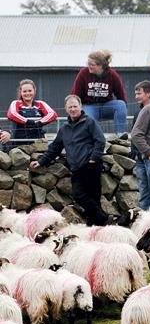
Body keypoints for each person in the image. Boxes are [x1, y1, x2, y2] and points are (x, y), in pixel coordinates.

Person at [31, 95, 107, 226]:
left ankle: (95, 226)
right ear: (66, 109)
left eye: (75, 106)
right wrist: (41, 161)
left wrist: (93, 159)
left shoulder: (90, 122)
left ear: (80, 107)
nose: (73, 109)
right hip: (76, 169)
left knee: (94, 197)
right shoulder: (64, 129)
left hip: (91, 167)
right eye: (70, 107)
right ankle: (103, 218)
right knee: (79, 196)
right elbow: (54, 148)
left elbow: (100, 141)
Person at [71, 50, 128, 134]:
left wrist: (124, 108)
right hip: (89, 106)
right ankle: (98, 138)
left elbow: (120, 94)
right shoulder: (83, 73)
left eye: (92, 64)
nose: (88, 66)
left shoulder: (112, 75)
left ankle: (119, 135)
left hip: (106, 106)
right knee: (88, 116)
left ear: (100, 66)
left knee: (120, 104)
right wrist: (74, 108)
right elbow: (75, 94)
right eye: (88, 63)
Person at [6, 79, 58, 145]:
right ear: (20, 92)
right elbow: (11, 114)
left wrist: (39, 122)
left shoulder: (40, 103)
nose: (27, 93)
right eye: (24, 91)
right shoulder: (16, 103)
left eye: (30, 91)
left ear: (34, 91)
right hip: (19, 143)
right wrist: (28, 122)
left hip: (38, 142)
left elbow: (53, 114)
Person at [130, 80, 150, 209]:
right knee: (144, 192)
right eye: (136, 93)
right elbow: (134, 134)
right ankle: (143, 221)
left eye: (139, 93)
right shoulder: (137, 113)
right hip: (140, 159)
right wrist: (134, 152)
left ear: (148, 93)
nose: (136, 97)